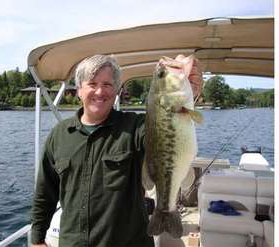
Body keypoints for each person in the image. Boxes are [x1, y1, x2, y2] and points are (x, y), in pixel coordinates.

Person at [31, 54, 203, 247]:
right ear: (79, 90)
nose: (99, 91)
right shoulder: (59, 135)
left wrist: (189, 95)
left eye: (107, 85)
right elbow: (45, 193)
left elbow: (166, 130)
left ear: (116, 91)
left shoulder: (136, 127)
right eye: (92, 84)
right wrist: (37, 239)